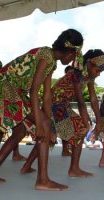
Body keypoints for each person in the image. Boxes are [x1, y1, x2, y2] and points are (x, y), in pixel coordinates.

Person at [0, 29, 84, 189]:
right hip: (5, 87)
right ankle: (42, 180)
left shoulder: (51, 61)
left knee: (20, 132)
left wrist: (51, 125)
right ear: (69, 52)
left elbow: (46, 97)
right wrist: (41, 125)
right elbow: (34, 92)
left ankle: (42, 179)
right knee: (43, 125)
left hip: (13, 89)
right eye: (74, 56)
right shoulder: (46, 56)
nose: (73, 60)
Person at [20, 49, 104, 177]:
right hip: (55, 105)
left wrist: (99, 119)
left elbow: (93, 98)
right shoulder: (76, 74)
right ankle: (74, 169)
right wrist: (85, 118)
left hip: (60, 105)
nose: (98, 73)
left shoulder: (89, 77)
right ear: (89, 63)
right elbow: (80, 100)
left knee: (46, 137)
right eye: (98, 69)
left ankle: (26, 166)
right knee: (81, 129)